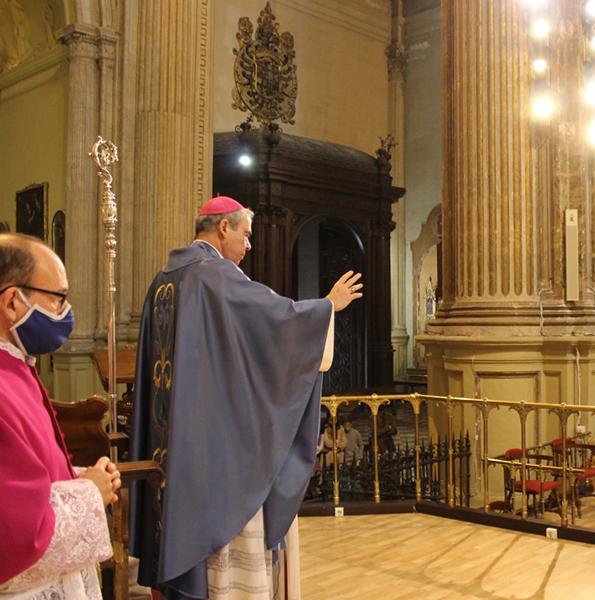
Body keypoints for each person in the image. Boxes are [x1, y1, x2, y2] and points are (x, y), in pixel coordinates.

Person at [130, 197, 363, 599]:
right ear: (224, 228)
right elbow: (277, 322)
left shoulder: (164, 279)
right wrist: (327, 307)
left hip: (172, 434)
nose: (249, 245)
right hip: (212, 445)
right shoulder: (214, 275)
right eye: (246, 234)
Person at [0, 233, 120, 598]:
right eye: (59, 298)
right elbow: (14, 532)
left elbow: (27, 477)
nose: (66, 312)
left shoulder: (16, 367)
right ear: (11, 302)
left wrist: (78, 477)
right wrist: (89, 493)